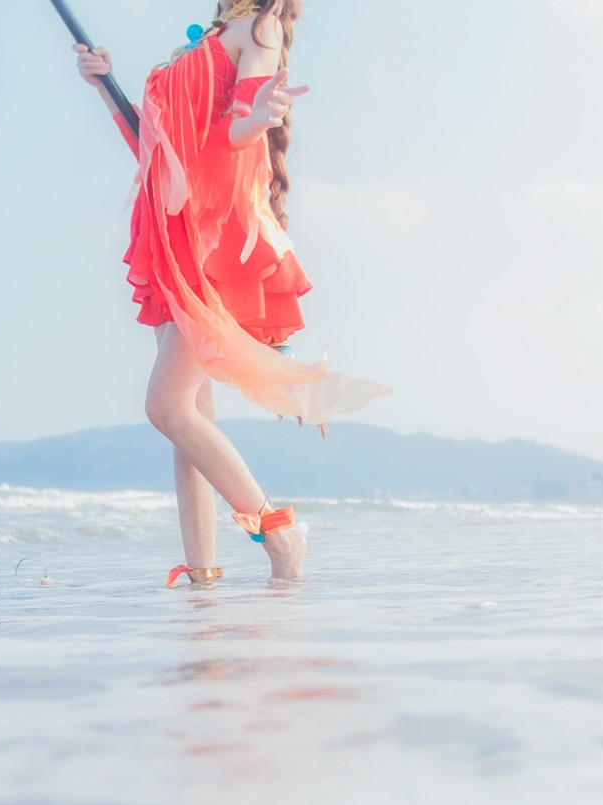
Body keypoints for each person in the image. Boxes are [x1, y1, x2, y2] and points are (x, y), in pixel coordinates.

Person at [76, 0, 389, 584]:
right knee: (190, 414)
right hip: (174, 236)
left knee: (166, 407)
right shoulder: (203, 42)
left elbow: (236, 129)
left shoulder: (259, 25)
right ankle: (203, 577)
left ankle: (279, 533)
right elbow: (156, 148)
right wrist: (105, 87)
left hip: (214, 238)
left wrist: (260, 117)